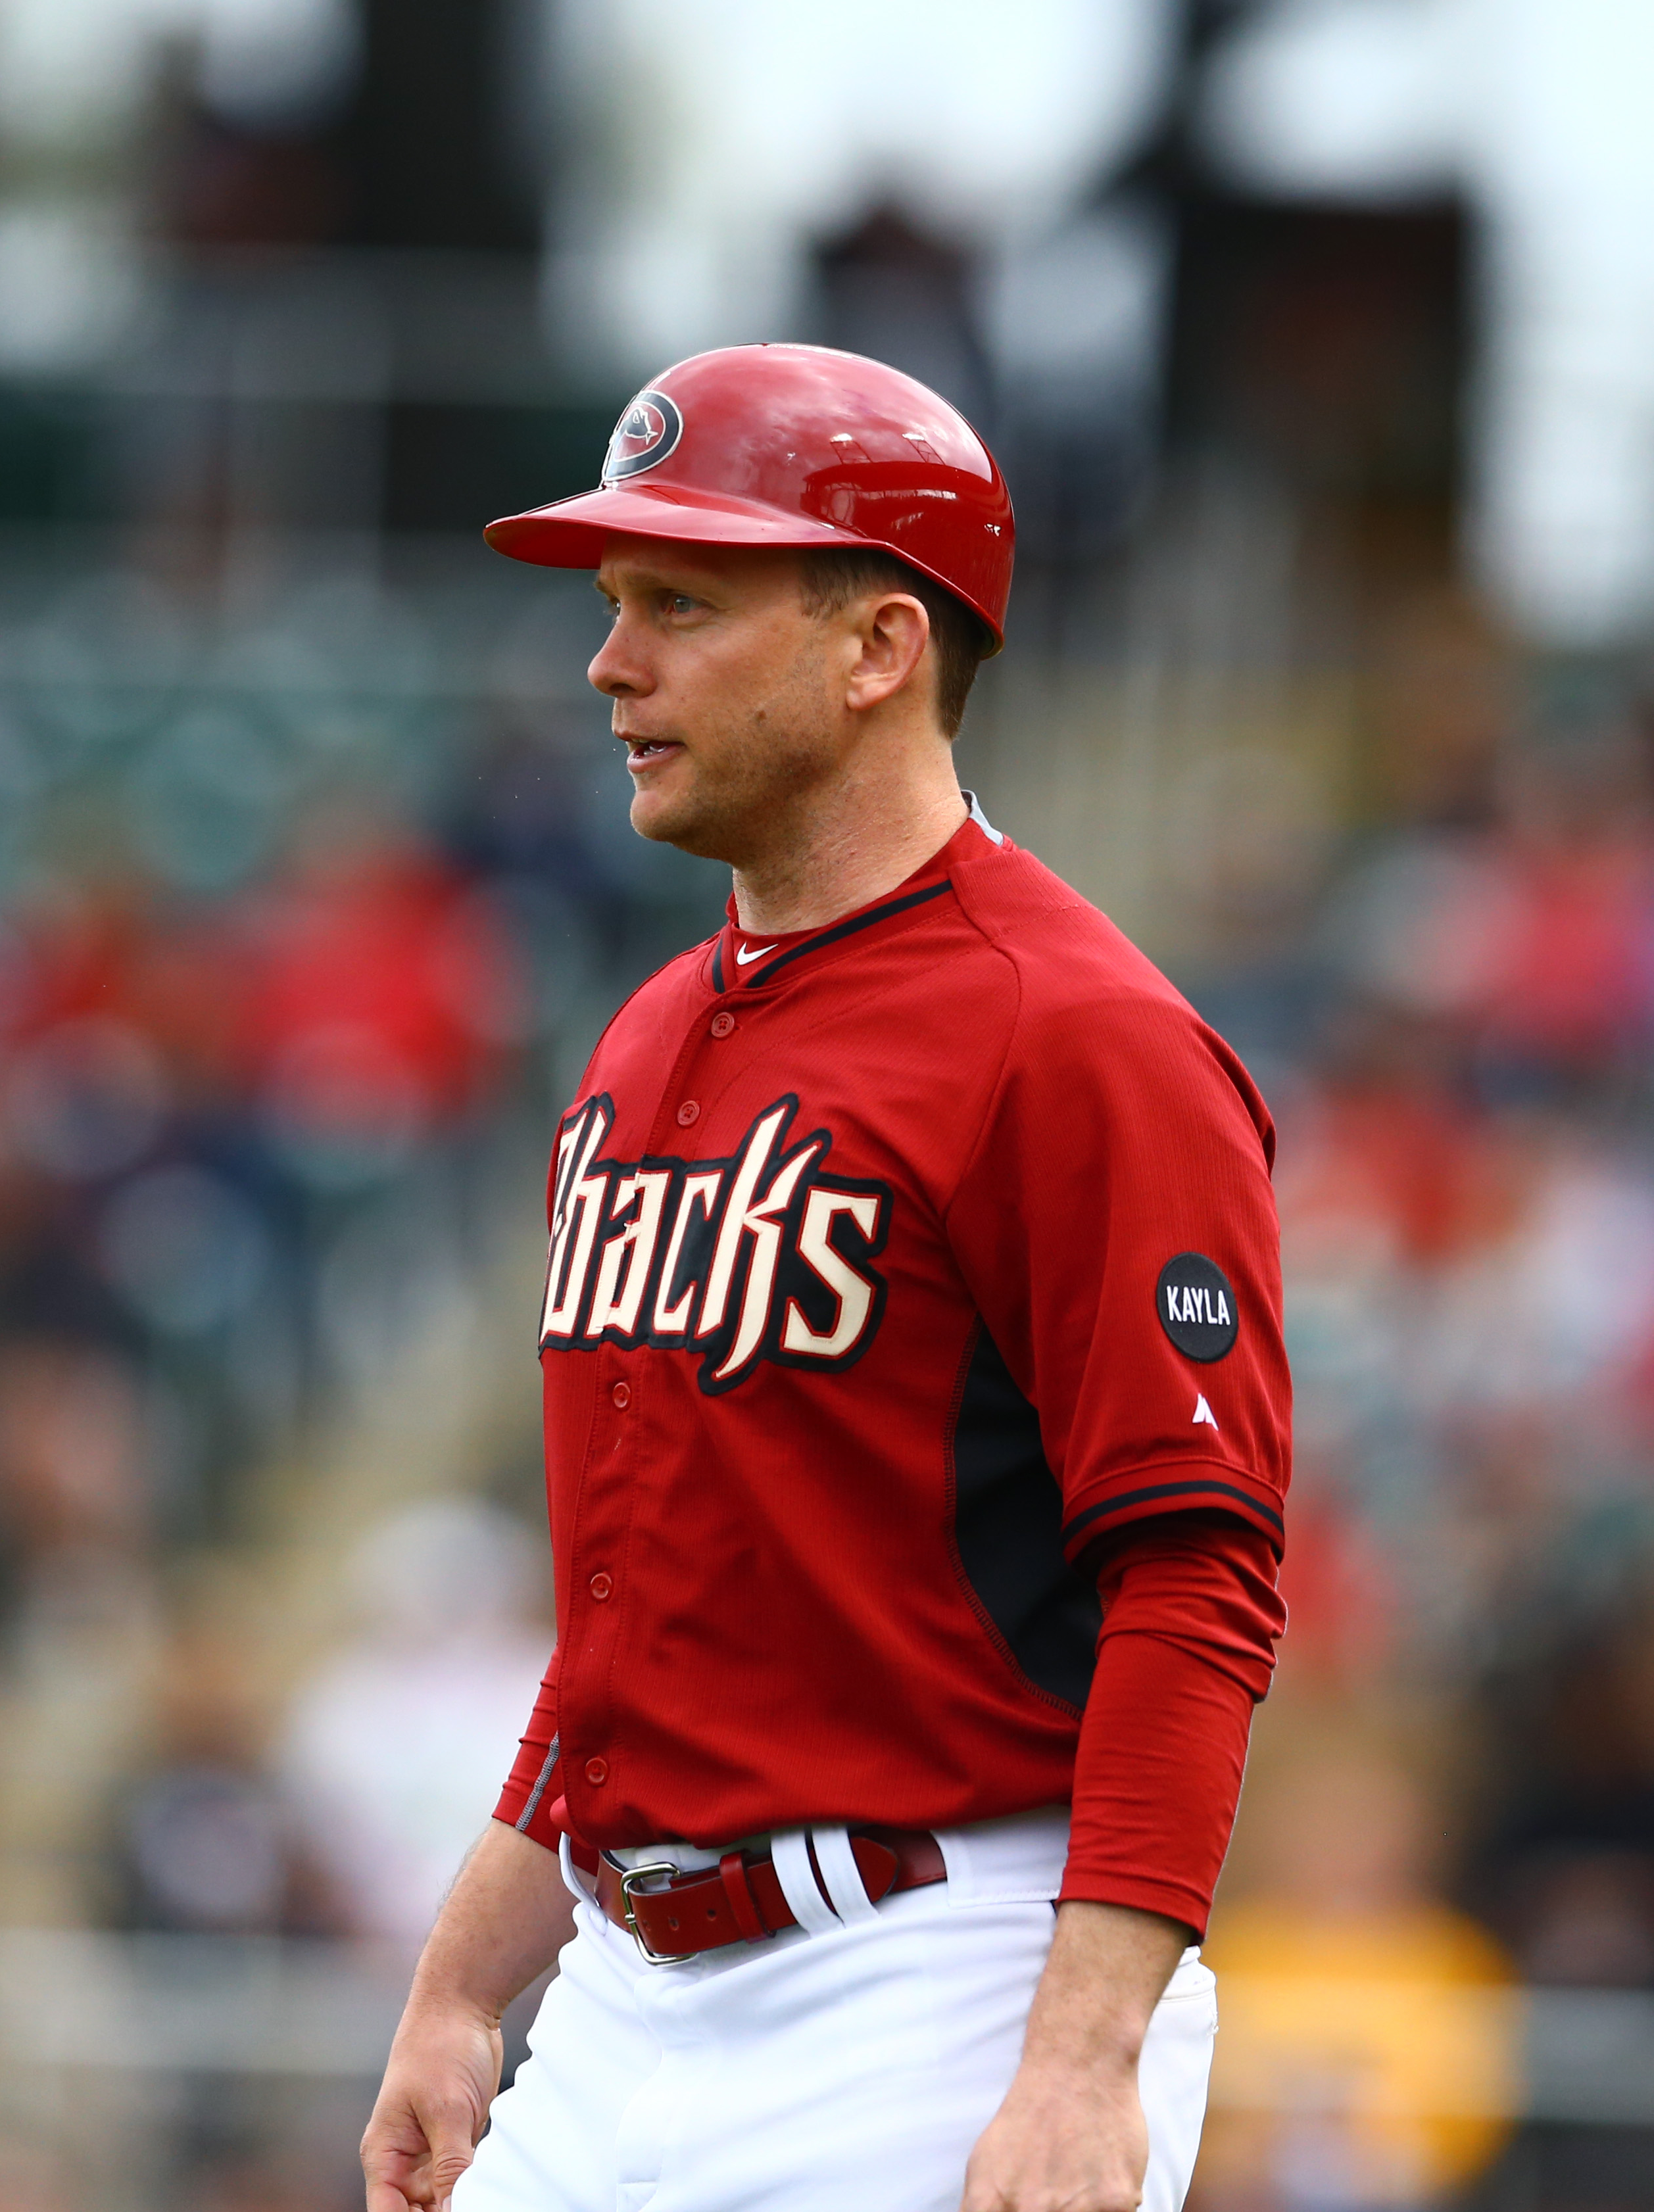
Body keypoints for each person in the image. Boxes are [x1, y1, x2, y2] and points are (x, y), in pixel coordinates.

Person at [360, 343, 1292, 2212]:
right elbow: (642, 1615)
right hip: (625, 1986)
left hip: (937, 1971)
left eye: (680, 604)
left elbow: (1194, 1577)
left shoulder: (1076, 1036)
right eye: (616, 602)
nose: (609, 662)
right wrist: (465, 1980)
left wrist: (1082, 2058)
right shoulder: (645, 1035)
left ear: (878, 647)